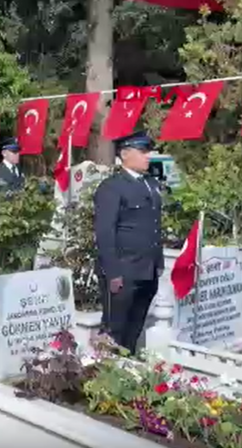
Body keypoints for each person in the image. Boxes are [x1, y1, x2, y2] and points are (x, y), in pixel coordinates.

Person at [93, 131, 163, 355]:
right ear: (124, 154)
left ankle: (127, 369)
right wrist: (113, 272)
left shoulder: (150, 184)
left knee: (134, 329)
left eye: (148, 151)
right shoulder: (112, 187)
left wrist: (158, 263)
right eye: (142, 151)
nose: (148, 156)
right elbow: (105, 232)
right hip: (123, 272)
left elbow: (154, 226)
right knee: (114, 331)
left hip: (147, 270)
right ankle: (106, 371)